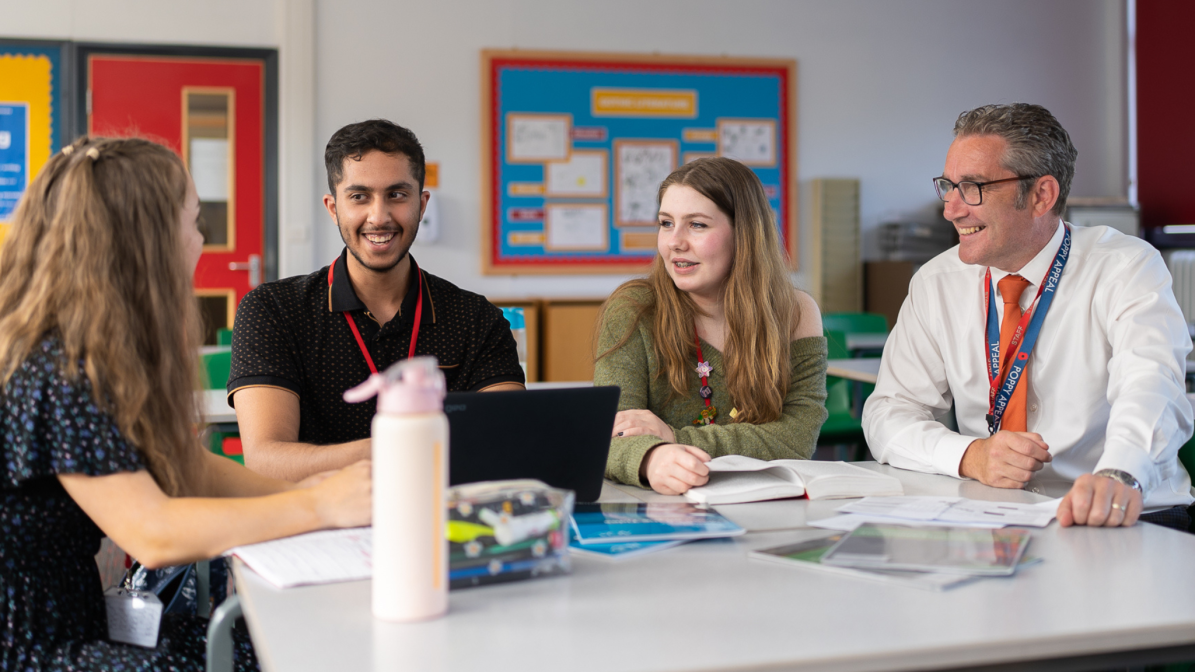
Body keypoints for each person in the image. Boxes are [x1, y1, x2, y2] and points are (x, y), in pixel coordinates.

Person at [0, 136, 371, 671]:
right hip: (36, 651)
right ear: (146, 240)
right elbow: (152, 533)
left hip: (72, 621)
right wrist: (320, 506)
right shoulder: (60, 369)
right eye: (193, 221)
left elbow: (187, 469)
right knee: (273, 651)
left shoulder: (88, 346)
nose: (200, 239)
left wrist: (310, 496)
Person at [863, 103, 1195, 530]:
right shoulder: (937, 282)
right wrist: (968, 455)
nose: (951, 209)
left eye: (973, 187)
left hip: (1125, 514)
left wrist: (1119, 474)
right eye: (948, 185)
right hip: (993, 515)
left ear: (1041, 195)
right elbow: (888, 412)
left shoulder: (1125, 267)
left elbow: (1152, 385)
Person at [229, 119, 524, 482]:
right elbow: (265, 459)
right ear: (333, 207)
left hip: (441, 518)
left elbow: (508, 440)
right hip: (317, 526)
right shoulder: (273, 310)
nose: (379, 217)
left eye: (397, 195)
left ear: (422, 203)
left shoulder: (476, 318)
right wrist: (404, 443)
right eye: (359, 196)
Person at [595, 157, 828, 495]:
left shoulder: (796, 312)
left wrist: (674, 438)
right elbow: (611, 434)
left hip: (765, 507)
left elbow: (796, 440)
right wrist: (651, 459)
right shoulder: (634, 310)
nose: (674, 242)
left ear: (744, 234)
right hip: (665, 511)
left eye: (697, 225)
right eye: (666, 223)